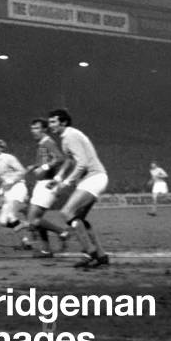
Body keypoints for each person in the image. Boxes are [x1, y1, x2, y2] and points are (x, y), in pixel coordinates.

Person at [47, 109, 110, 269]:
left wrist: (66, 182)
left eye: (53, 121)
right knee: (79, 218)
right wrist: (58, 178)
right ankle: (101, 256)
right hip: (94, 178)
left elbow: (82, 163)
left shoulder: (70, 136)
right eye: (50, 121)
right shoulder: (66, 137)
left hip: (94, 177)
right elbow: (69, 160)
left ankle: (91, 253)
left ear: (63, 122)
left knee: (66, 212)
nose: (50, 124)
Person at [25, 118, 72, 257]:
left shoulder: (47, 142)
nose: (33, 131)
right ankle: (46, 250)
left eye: (36, 128)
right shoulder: (42, 144)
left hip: (47, 185)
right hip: (41, 184)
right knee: (37, 220)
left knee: (33, 220)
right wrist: (35, 166)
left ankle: (62, 232)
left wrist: (44, 167)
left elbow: (60, 158)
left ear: (44, 129)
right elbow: (47, 160)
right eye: (32, 128)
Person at [0, 139, 31, 250]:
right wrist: (0, 190)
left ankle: (25, 242)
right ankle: (28, 224)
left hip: (17, 188)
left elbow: (22, 171)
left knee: (12, 216)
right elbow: (4, 179)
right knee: (2, 221)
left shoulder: (8, 158)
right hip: (8, 192)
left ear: (1, 148)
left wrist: (12, 180)